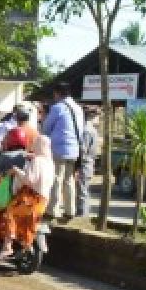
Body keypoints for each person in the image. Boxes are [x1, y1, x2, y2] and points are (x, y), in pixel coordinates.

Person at [0, 134, 56, 258]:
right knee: (23, 218)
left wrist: (16, 170)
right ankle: (25, 244)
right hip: (43, 200)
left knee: (9, 213)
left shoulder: (37, 160)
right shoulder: (49, 162)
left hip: (30, 198)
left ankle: (7, 247)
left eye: (35, 143)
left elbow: (30, 180)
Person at [41, 81, 84, 220]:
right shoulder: (78, 108)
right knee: (69, 180)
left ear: (58, 93)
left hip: (59, 148)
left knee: (56, 179)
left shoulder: (57, 108)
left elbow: (46, 128)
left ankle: (52, 210)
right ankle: (70, 210)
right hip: (75, 149)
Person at [75, 105, 100, 219]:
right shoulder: (93, 129)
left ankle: (82, 214)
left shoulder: (86, 130)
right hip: (90, 162)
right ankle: (83, 213)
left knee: (82, 190)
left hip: (84, 163)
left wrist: (77, 166)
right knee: (84, 189)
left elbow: (82, 150)